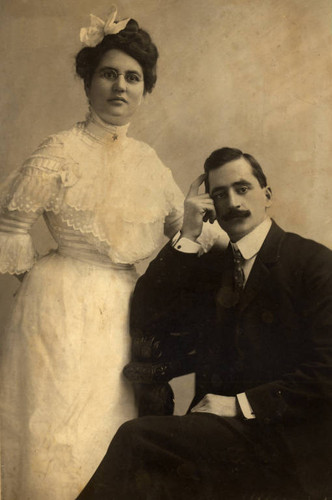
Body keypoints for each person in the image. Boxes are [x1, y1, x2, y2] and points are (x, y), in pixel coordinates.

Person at [0, 8, 224, 499]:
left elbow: (179, 234)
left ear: (145, 89)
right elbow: (11, 226)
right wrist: (40, 284)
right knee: (57, 423)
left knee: (112, 422)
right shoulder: (57, 152)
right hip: (57, 305)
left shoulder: (147, 162)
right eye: (108, 74)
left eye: (132, 77)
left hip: (126, 304)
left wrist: (213, 233)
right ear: (87, 82)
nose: (120, 87)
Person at [77, 147, 332, 499]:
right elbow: (147, 315)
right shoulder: (214, 267)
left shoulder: (313, 263)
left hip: (290, 442)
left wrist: (241, 404)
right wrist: (188, 234)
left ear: (267, 195)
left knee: (136, 438)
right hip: (220, 436)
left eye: (242, 189)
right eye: (219, 194)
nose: (232, 202)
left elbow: (327, 370)